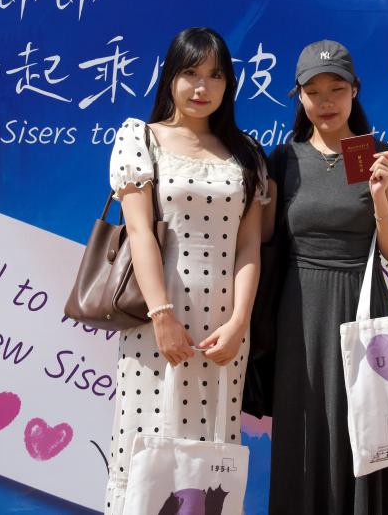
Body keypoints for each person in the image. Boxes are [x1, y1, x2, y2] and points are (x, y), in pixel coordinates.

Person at [103, 27, 269, 514]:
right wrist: (162, 316)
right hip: (156, 322)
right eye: (191, 73)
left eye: (215, 76)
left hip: (223, 332)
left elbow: (248, 247)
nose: (202, 87)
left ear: (228, 84)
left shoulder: (247, 153)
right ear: (170, 77)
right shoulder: (140, 137)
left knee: (208, 464)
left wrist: (239, 324)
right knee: (146, 453)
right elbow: (139, 232)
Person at [262, 40, 388, 515]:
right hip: (299, 316)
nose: (326, 102)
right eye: (314, 92)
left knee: (364, 430)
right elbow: (264, 242)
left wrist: (380, 197)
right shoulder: (283, 160)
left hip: (363, 308)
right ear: (299, 96)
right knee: (304, 431)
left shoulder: (381, 156)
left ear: (355, 91)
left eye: (336, 89)